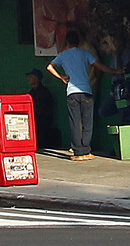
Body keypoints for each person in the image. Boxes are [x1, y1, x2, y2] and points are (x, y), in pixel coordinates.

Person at [47, 27, 101, 160]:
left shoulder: (63, 55)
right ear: (79, 41)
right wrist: (114, 71)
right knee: (88, 121)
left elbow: (49, 66)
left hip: (72, 92)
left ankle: (78, 152)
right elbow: (99, 66)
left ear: (67, 42)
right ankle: (86, 150)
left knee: (75, 121)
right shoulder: (85, 53)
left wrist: (61, 77)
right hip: (86, 91)